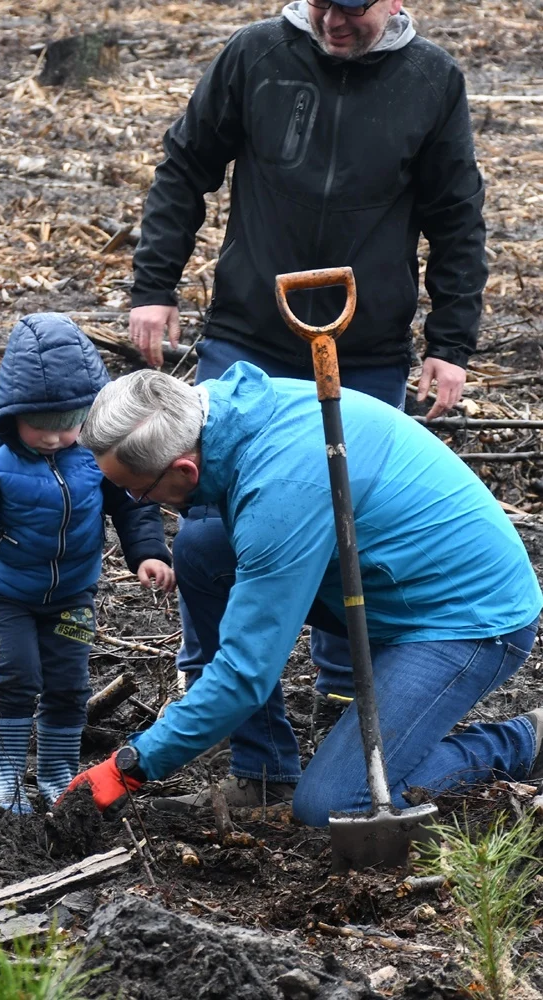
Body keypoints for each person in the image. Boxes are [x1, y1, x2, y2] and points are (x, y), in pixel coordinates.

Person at [127, 0, 488, 731]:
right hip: (249, 337)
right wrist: (153, 287)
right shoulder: (255, 54)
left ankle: (341, 690)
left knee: (348, 526)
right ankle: (220, 694)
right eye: (322, 4)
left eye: (352, 8)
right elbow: (184, 165)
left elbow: (455, 214)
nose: (333, 22)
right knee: (206, 532)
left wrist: (449, 343)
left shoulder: (431, 78)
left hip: (365, 348)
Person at [62, 366, 541, 826]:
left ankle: (524, 740)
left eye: (138, 493)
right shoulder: (219, 412)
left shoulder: (279, 494)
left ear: (185, 470)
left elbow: (245, 672)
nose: (139, 504)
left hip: (468, 618)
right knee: (202, 547)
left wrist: (131, 766)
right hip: (384, 579)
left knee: (336, 805)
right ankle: (263, 772)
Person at [0, 314, 174, 814]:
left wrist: (149, 553)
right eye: (41, 428)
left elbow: (133, 499)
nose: (55, 439)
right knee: (16, 675)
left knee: (70, 681)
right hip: (7, 598)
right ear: (12, 413)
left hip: (73, 594)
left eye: (69, 425)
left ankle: (55, 774)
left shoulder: (97, 444)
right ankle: (4, 779)